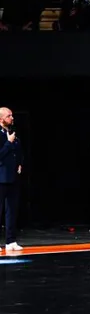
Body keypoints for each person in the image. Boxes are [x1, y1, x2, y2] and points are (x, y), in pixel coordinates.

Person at [0, 107, 22, 252]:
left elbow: (18, 151)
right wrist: (8, 143)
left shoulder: (12, 133)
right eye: (9, 116)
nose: (12, 118)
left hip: (12, 177)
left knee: (11, 210)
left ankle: (11, 240)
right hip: (0, 178)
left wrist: (20, 163)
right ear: (1, 119)